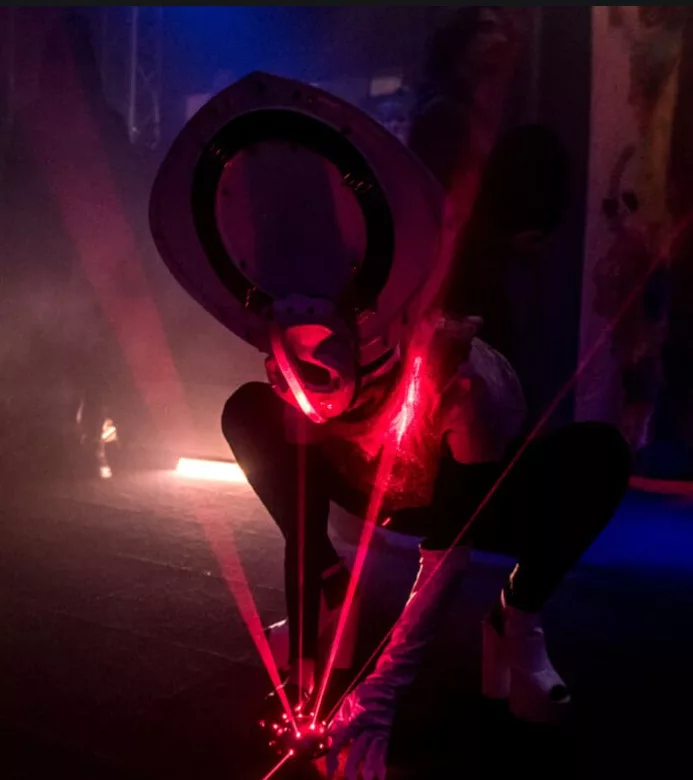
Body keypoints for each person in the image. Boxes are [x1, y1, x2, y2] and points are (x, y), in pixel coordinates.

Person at [221, 123, 632, 779]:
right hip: (370, 484)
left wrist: (380, 691)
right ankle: (333, 593)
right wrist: (308, 666)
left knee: (600, 456)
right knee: (247, 411)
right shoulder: (304, 337)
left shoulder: (461, 381)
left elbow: (448, 555)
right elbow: (298, 489)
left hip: (462, 493)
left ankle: (517, 616)